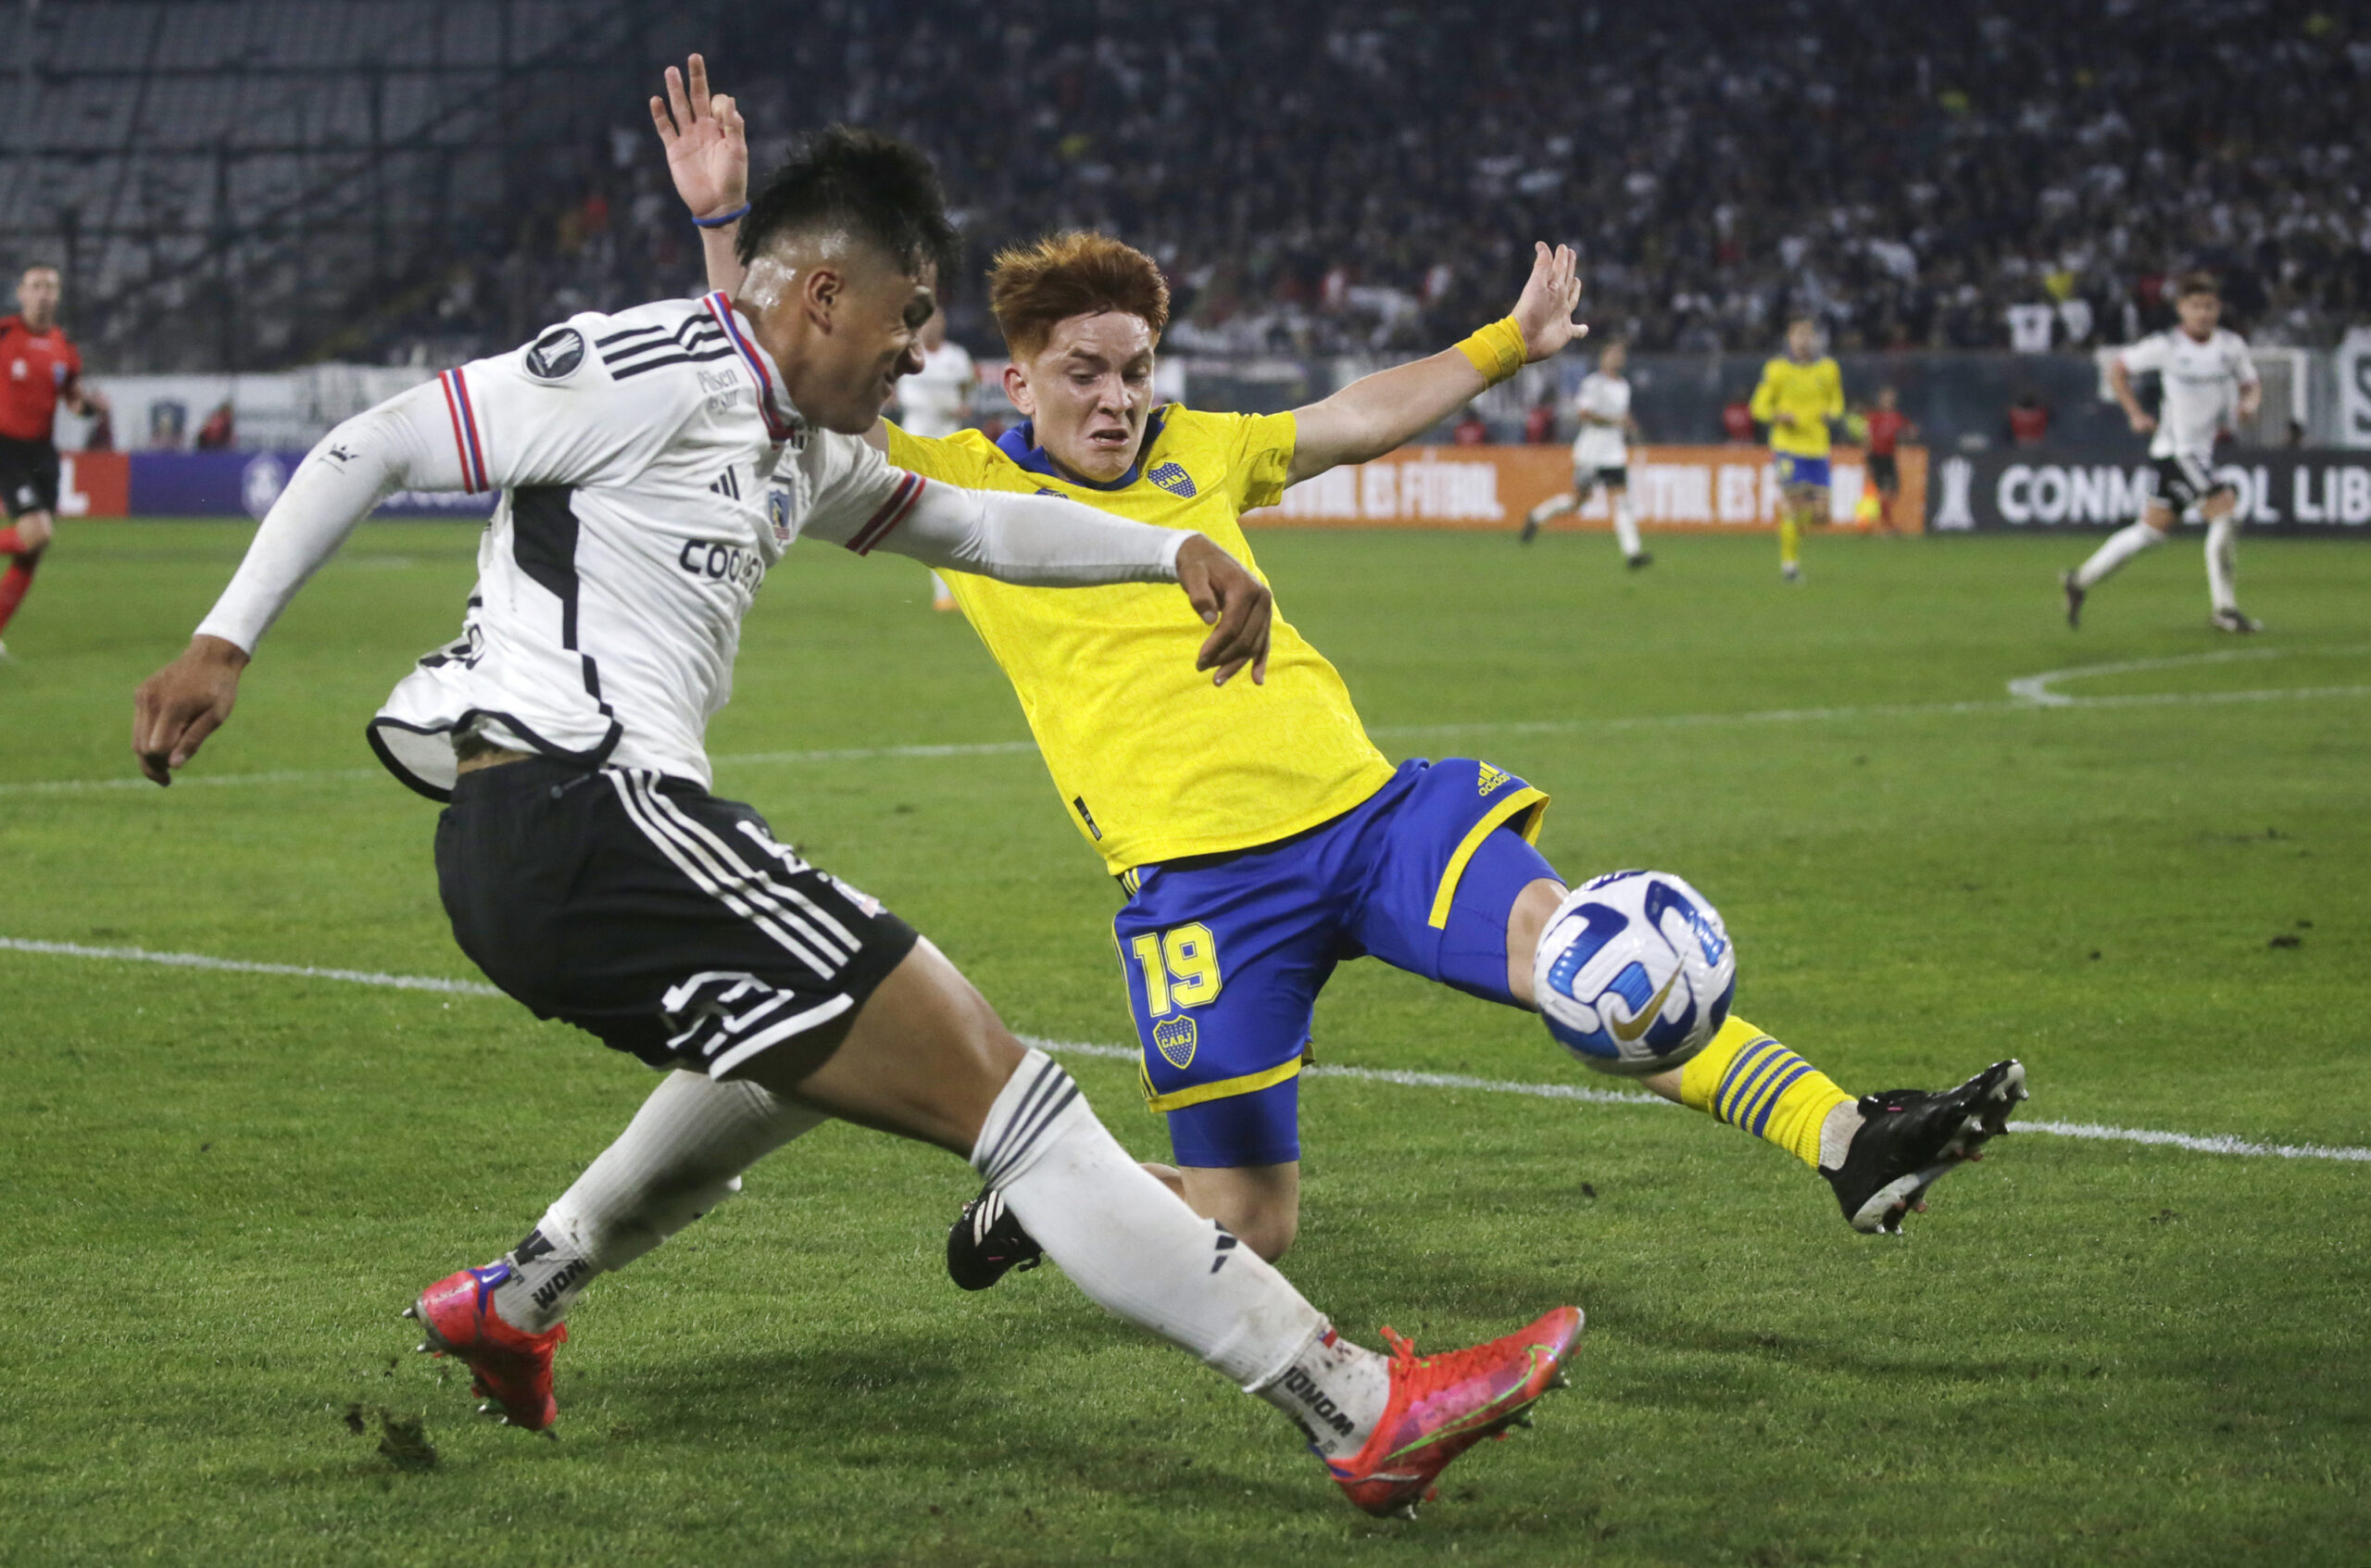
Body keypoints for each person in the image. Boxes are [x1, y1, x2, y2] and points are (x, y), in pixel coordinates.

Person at [131, 118, 1579, 1522]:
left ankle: (519, 1297)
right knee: (1012, 1094)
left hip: (555, 851)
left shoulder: (800, 441)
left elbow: (986, 527)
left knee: (791, 1068)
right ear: (828, 293)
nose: (920, 351)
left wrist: (1175, 547)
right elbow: (375, 440)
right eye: (909, 316)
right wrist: (223, 641)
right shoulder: (648, 362)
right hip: (584, 806)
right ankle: (1356, 1408)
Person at [668, 62, 2026, 1283]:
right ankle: (1046, 1190)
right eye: (1081, 373)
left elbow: (1360, 416)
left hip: (1370, 817)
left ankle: (1847, 1134)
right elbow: (766, 384)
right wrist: (727, 231)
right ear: (1015, 382)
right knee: (1249, 1223)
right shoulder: (954, 482)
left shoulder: (1204, 447)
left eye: (1135, 369)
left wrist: (1505, 342)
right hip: (1200, 887)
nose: (1115, 398)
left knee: (1576, 949)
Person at [2064, 272, 2263, 633]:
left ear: (2218, 309)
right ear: (2181, 309)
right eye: (2196, 306)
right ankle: (2225, 610)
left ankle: (2079, 581)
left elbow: (2251, 384)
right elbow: (2117, 369)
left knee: (2149, 532)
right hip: (2178, 451)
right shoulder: (2167, 346)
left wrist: (2249, 404)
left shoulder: (2231, 346)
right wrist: (2135, 413)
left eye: (2210, 306)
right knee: (2225, 512)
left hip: (2196, 452)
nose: (2204, 313)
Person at [0, 264, 108, 660]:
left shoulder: (65, 344)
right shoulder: (6, 333)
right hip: (6, 447)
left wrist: (91, 408)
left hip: (43, 452)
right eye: (36, 286)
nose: (44, 293)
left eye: (51, 287)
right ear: (21, 293)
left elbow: (74, 402)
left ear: (58, 296)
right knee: (37, 534)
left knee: (32, 551)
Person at [1520, 342, 1645, 567]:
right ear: (1603, 357)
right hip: (1591, 452)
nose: (1617, 358)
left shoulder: (1624, 386)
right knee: (1578, 501)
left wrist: (1631, 427)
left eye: (1620, 354)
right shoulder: (1593, 384)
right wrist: (1615, 421)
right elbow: (1584, 414)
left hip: (1614, 454)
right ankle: (1536, 516)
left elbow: (1623, 415)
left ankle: (1633, 553)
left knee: (1622, 501)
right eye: (1613, 353)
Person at [894, 305, 974, 611]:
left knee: (947, 515)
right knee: (935, 516)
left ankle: (947, 592)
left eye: (937, 321)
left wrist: (964, 404)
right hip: (916, 440)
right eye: (927, 323)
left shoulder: (956, 356)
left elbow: (968, 384)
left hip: (948, 440)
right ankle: (945, 590)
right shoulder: (908, 354)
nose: (932, 327)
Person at [1750, 319, 1842, 583]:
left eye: (1808, 335)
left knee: (1822, 515)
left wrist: (1831, 413)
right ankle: (1789, 565)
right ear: (1789, 339)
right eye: (1798, 335)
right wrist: (1778, 416)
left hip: (1818, 447)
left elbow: (1837, 401)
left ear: (1815, 339)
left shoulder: (1829, 368)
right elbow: (1758, 407)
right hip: (1787, 446)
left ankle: (1788, 520)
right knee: (1795, 503)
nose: (1803, 340)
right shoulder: (1776, 369)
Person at [1861, 385, 1916, 533]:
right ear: (1880, 399)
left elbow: (1910, 431)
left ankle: (1882, 524)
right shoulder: (1874, 417)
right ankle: (1878, 525)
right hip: (1876, 456)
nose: (1888, 400)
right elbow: (1867, 435)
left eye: (1890, 397)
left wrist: (1908, 434)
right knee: (1879, 491)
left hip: (1889, 457)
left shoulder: (1897, 417)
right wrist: (1867, 456)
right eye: (1885, 397)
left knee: (1892, 492)